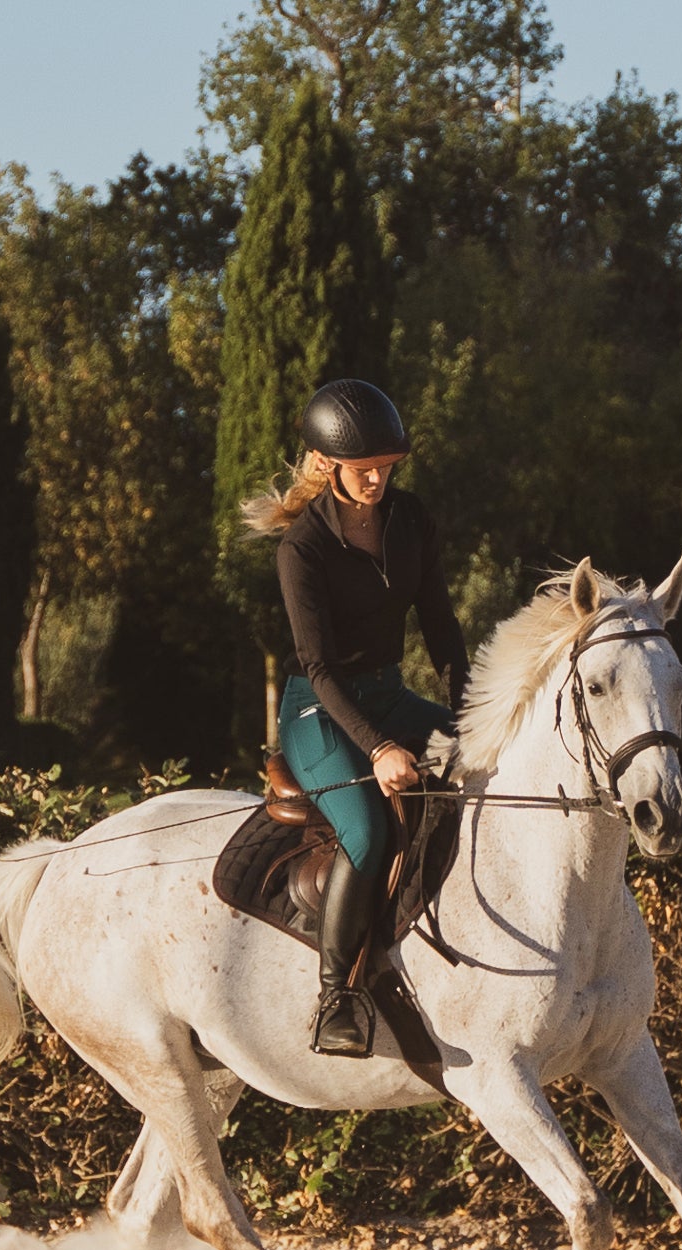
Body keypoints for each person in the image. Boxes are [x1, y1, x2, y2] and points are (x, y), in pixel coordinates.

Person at [243, 379, 467, 1056]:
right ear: (325, 464)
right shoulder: (302, 550)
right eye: (362, 470)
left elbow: (442, 630)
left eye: (385, 468)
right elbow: (319, 669)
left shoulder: (413, 522)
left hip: (389, 693)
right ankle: (336, 996)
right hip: (320, 712)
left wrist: (473, 721)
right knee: (368, 830)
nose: (375, 480)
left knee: (489, 762)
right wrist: (377, 750)